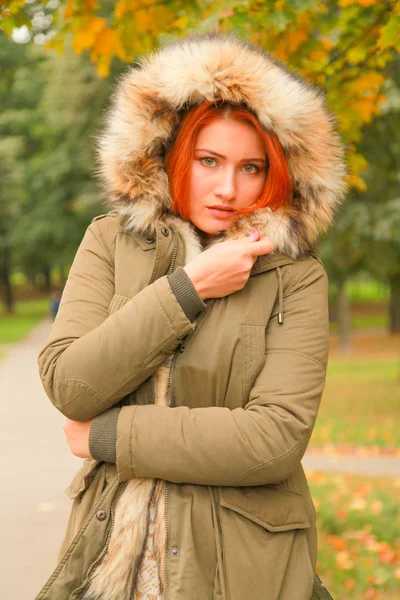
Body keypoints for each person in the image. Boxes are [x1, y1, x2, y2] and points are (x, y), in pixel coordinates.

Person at [35, 33, 345, 600]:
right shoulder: (108, 241)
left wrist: (108, 434)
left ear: (278, 173)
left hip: (241, 567)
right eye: (209, 161)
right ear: (170, 155)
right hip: (110, 559)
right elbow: (70, 383)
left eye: (251, 167)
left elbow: (272, 440)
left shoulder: (295, 276)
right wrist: (188, 288)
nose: (228, 188)